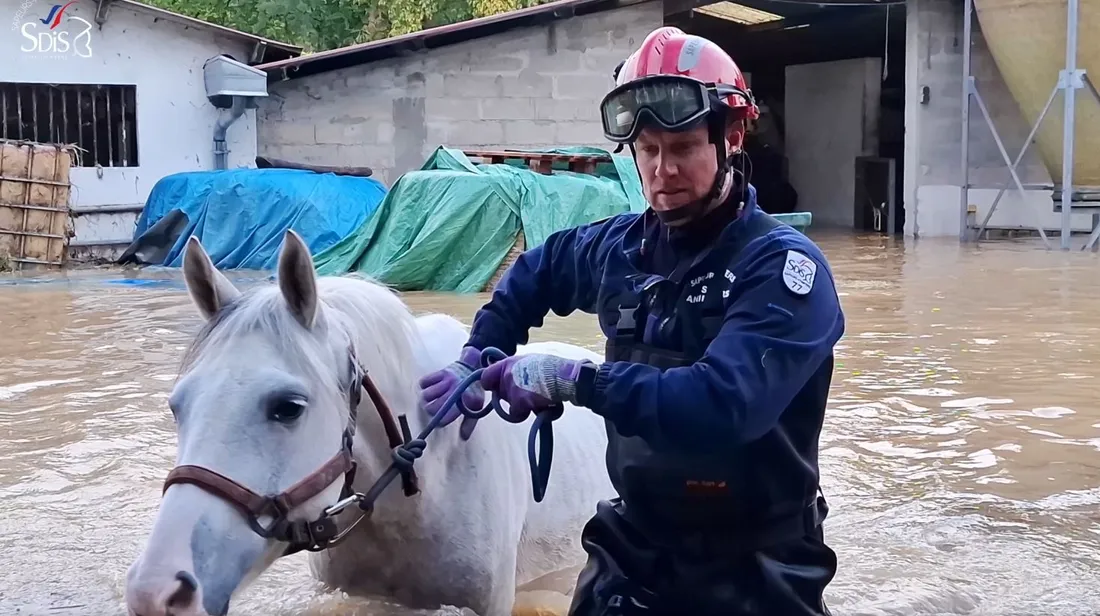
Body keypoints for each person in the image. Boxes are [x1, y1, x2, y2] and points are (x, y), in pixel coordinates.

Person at [418, 26, 845, 616]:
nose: (663, 171)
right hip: (637, 544)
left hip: (756, 560)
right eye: (648, 150)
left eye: (684, 147)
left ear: (733, 136)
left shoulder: (783, 269)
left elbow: (722, 408)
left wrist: (571, 379)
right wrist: (480, 353)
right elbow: (532, 274)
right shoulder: (620, 249)